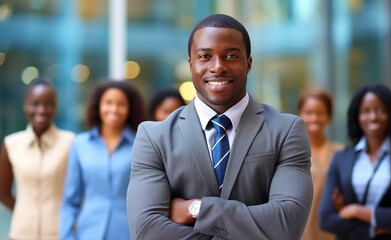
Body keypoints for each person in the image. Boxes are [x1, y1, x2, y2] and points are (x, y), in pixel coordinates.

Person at [127, 13, 313, 239]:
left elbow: (287, 223)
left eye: (231, 56)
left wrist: (196, 209)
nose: (217, 67)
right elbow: (146, 230)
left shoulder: (286, 130)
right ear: (191, 64)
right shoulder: (154, 137)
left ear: (248, 63)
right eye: (205, 56)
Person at [319, 84, 391, 240]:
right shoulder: (341, 158)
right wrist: (384, 226)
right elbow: (326, 219)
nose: (373, 117)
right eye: (365, 111)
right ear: (357, 115)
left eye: (381, 110)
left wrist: (356, 211)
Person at [60, 80, 145, 240]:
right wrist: (67, 236)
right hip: (88, 232)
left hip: (129, 232)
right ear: (98, 106)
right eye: (108, 103)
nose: (114, 109)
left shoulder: (141, 145)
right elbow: (70, 201)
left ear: (130, 109)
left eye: (121, 104)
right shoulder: (80, 144)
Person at [0, 77, 75, 240]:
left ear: (55, 107)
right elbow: (2, 192)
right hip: (20, 234)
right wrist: (23, 211)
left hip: (60, 233)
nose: (41, 110)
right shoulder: (11, 144)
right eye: (35, 103)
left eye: (48, 104)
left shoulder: (71, 142)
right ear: (25, 106)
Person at [298, 87, 343, 240]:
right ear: (299, 114)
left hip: (333, 232)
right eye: (308, 113)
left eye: (320, 113)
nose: (314, 118)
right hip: (301, 232)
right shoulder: (291, 152)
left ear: (329, 116)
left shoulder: (341, 153)